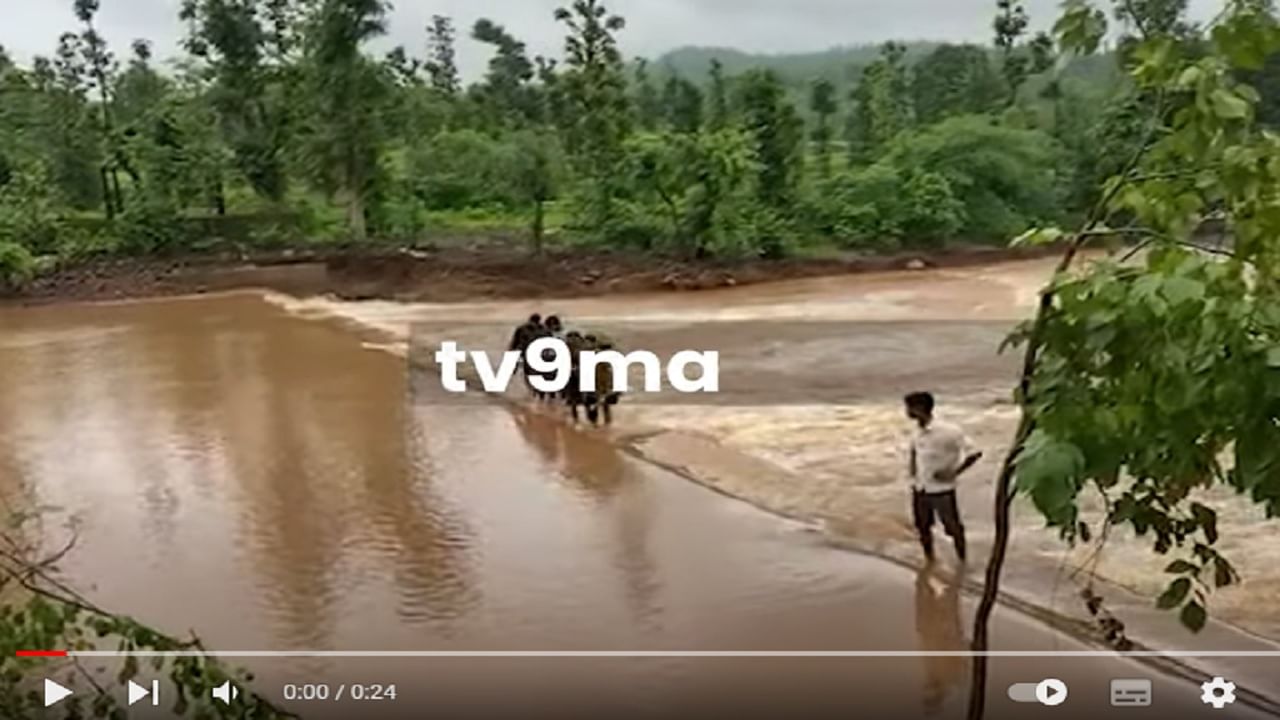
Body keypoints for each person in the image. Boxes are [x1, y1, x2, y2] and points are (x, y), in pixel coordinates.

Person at [905, 391, 981, 564]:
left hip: (942, 490)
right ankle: (929, 560)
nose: (907, 411)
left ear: (919, 408)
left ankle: (963, 562)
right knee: (922, 526)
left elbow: (974, 452)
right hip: (921, 487)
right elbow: (914, 452)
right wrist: (912, 474)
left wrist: (953, 472)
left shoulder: (949, 430)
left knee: (953, 527)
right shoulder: (917, 431)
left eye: (909, 407)